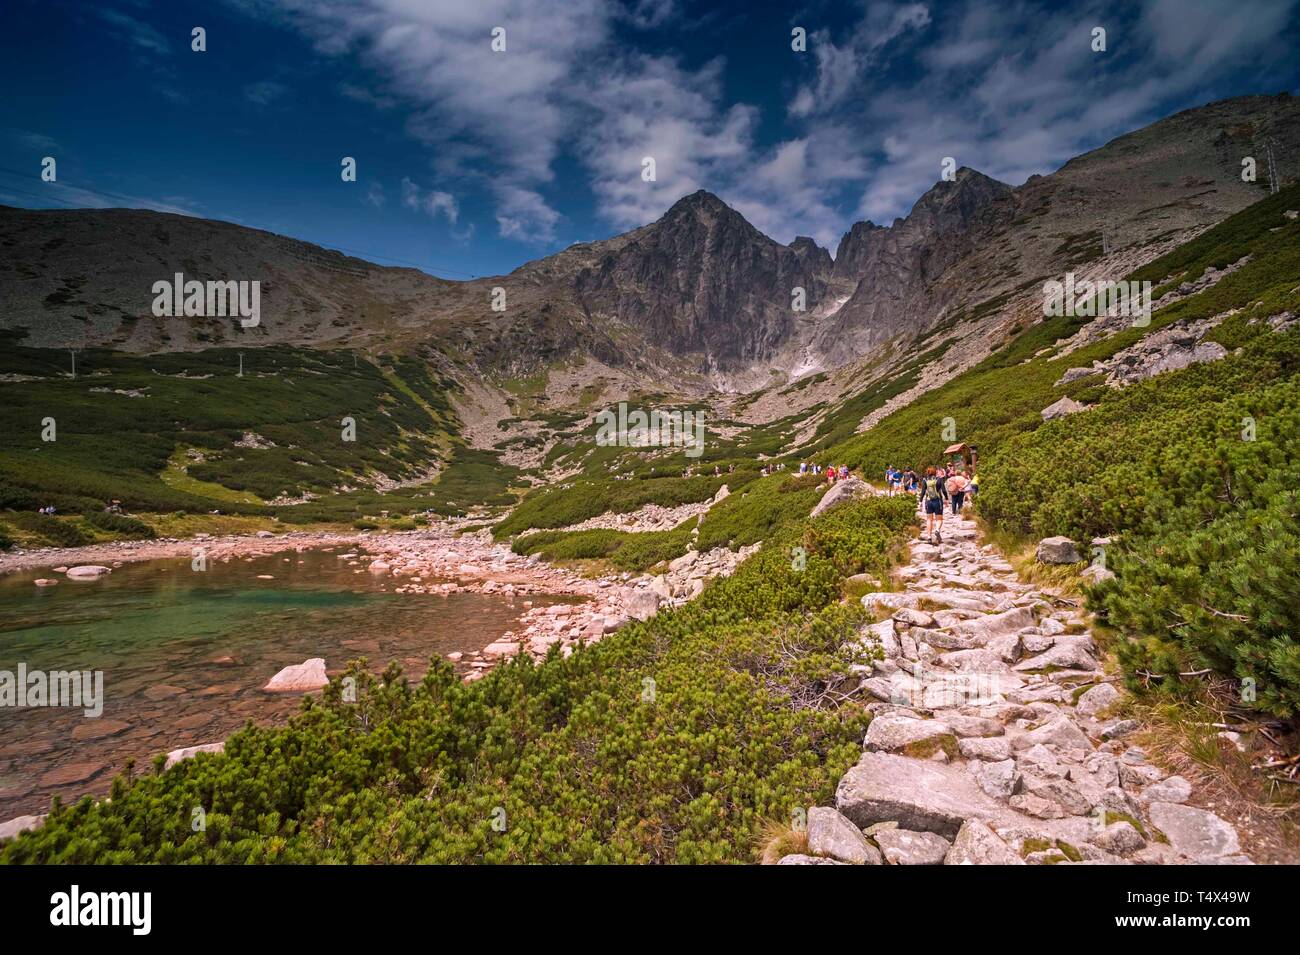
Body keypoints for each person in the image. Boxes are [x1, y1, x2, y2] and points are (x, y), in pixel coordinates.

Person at [918, 466, 949, 543]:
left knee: (929, 519)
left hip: (928, 501)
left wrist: (920, 502)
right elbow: (944, 490)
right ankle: (937, 530)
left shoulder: (925, 480)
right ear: (935, 472)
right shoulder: (939, 479)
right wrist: (946, 499)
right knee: (939, 518)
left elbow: (922, 492)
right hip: (937, 501)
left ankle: (929, 537)